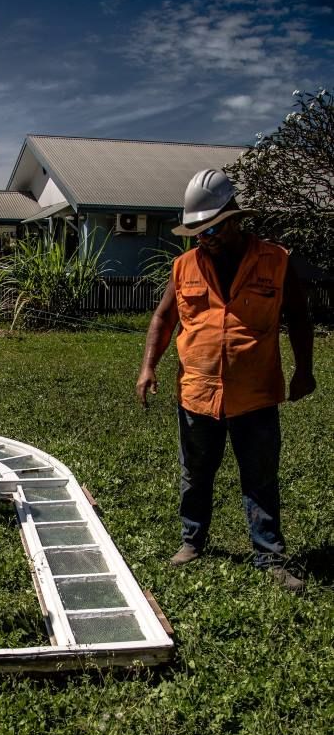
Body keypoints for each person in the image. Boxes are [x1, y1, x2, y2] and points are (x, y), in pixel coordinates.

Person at [136, 168, 316, 593]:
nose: (203, 238)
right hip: (197, 393)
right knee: (196, 473)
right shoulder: (184, 267)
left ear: (234, 221)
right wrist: (148, 366)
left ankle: (269, 556)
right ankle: (191, 543)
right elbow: (165, 318)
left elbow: (299, 317)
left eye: (211, 229)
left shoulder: (276, 260)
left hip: (255, 394)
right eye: (196, 230)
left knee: (260, 476)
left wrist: (304, 369)